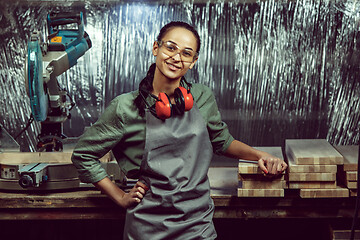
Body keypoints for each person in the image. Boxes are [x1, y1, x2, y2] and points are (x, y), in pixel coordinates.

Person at [71, 21, 287, 240]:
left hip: (197, 224)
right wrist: (119, 196)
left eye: (187, 53)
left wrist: (261, 155)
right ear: (156, 48)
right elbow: (83, 155)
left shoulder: (202, 98)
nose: (176, 58)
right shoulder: (125, 107)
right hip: (147, 227)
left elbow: (221, 141)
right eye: (170, 48)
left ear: (193, 62)